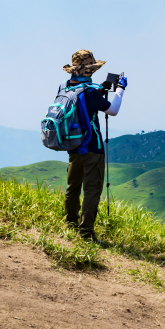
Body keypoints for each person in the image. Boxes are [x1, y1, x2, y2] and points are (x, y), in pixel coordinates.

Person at [60, 49, 127, 241]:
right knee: (91, 190)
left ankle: (70, 223)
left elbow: (83, 102)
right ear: (90, 71)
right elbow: (112, 110)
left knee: (73, 186)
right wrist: (120, 89)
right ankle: (86, 233)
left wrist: (101, 89)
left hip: (73, 144)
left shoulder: (65, 87)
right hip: (92, 148)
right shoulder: (89, 92)